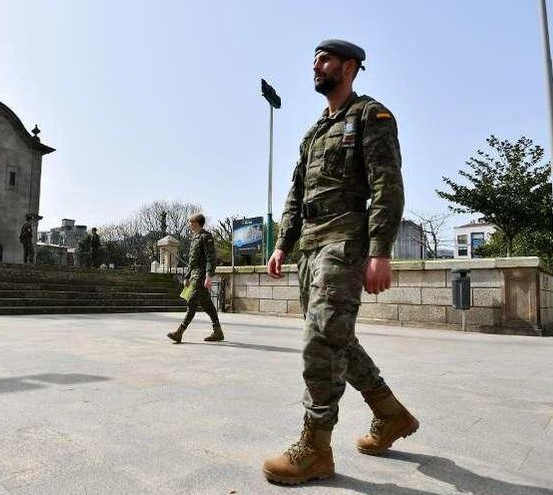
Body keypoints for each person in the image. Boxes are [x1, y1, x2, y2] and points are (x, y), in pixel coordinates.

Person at [261, 39, 418, 485]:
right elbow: (296, 193)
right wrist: (281, 245)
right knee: (336, 337)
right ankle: (391, 415)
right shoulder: (313, 132)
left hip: (346, 241)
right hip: (310, 245)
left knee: (320, 340)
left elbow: (387, 184)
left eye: (325, 60)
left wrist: (380, 250)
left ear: (349, 67)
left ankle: (315, 447)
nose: (317, 66)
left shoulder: (371, 115)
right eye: (314, 60)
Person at [166, 213, 223, 343]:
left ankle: (179, 332)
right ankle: (218, 331)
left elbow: (211, 258)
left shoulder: (206, 237)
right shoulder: (194, 238)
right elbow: (192, 261)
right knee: (207, 304)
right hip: (194, 275)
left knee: (192, 302)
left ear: (197, 223)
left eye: (191, 222)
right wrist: (187, 275)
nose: (189, 225)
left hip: (201, 276)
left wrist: (209, 276)